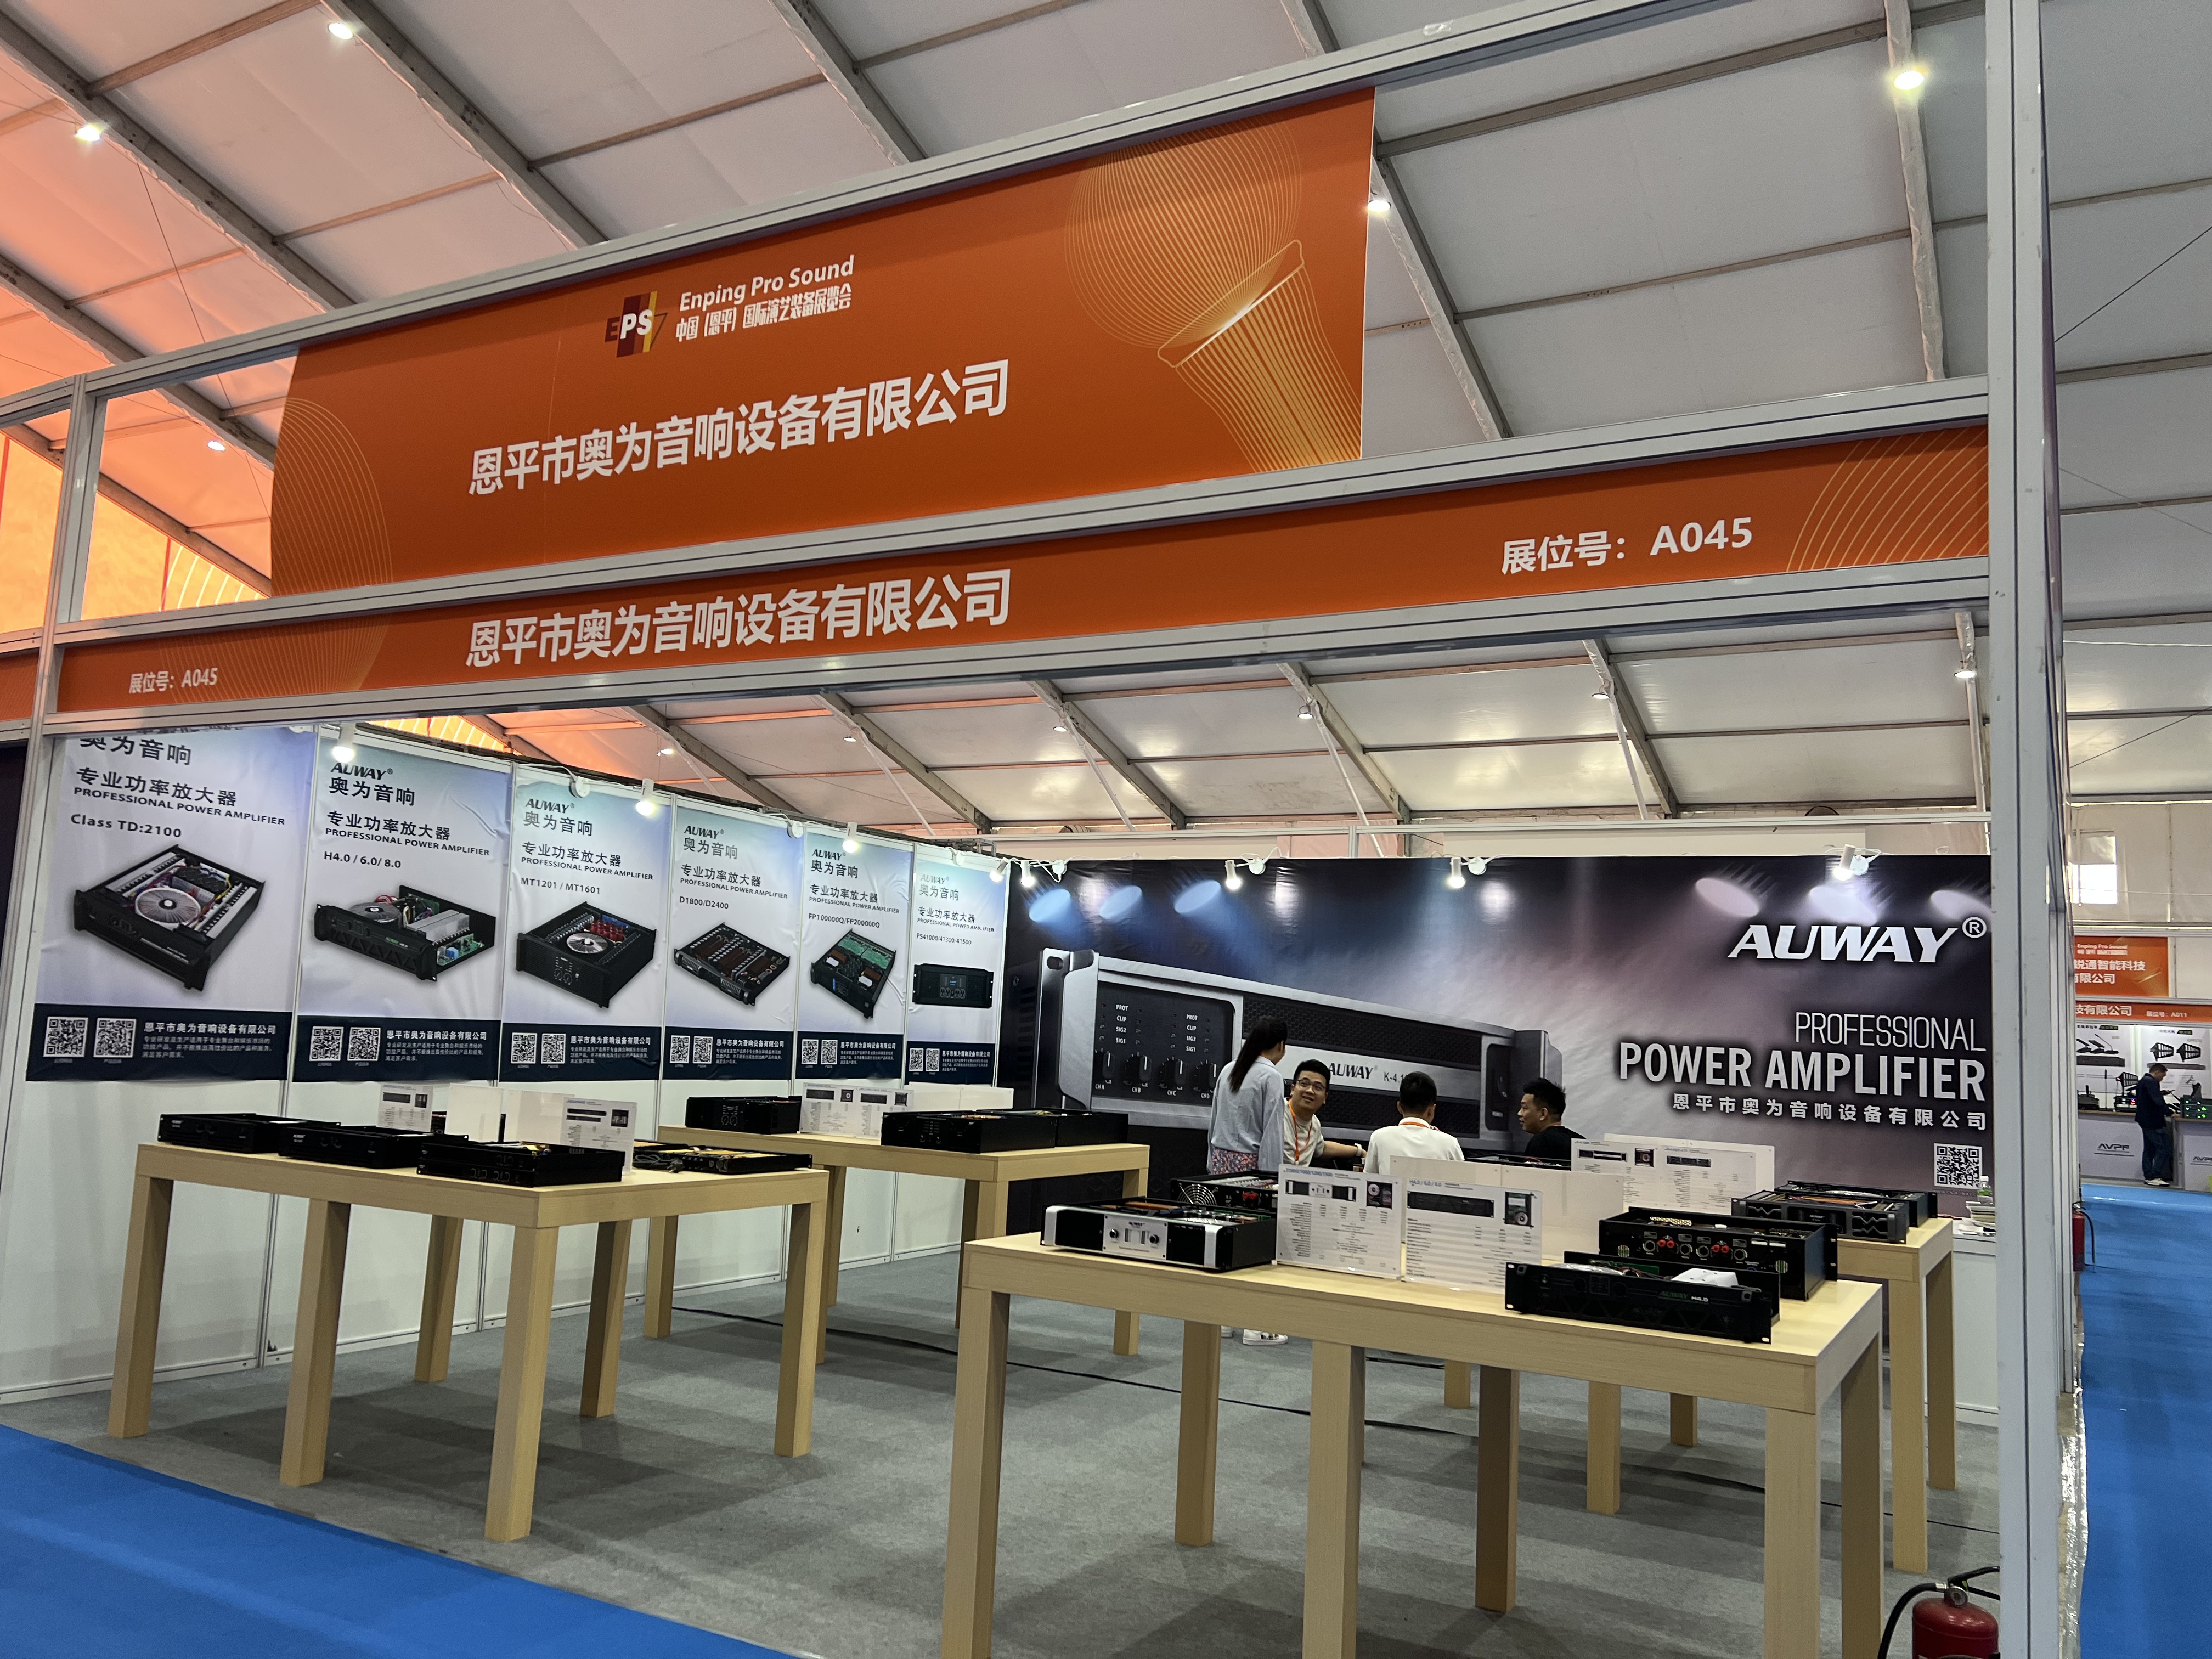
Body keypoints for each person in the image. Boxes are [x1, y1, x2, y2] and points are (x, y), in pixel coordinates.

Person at [1207, 1015, 1289, 1176]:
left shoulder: (1228, 1069)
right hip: (1250, 1168)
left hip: (1219, 1161)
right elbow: (1272, 1133)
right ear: (1281, 1045)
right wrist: (1272, 1176)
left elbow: (1214, 1121)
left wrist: (1211, 1163)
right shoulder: (1272, 1076)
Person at [1364, 1073, 1465, 1176]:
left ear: (1399, 1107)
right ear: (1431, 1110)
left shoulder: (1379, 1138)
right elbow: (1464, 1181)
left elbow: (1369, 1179)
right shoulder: (1450, 1144)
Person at [1282, 1058, 1363, 1168]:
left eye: (1318, 1087)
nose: (1310, 1091)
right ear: (1292, 1089)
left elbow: (1322, 1148)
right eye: (1304, 1084)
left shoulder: (1314, 1123)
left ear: (1325, 1097)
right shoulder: (1277, 1112)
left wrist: (1359, 1151)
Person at [1518, 1078, 1582, 1164]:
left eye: (1525, 1108)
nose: (1520, 1113)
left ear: (1543, 1114)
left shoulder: (1540, 1141)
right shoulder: (1580, 1141)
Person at [2135, 1062, 2176, 1187]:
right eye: (2162, 1076)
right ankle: (2154, 1175)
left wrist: (2161, 1093)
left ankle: (2149, 1176)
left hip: (2145, 1120)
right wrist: (2170, 1112)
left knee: (2149, 1149)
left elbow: (2149, 1097)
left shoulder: (2144, 1081)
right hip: (2153, 1121)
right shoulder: (2151, 1082)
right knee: (2164, 1149)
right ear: (2157, 1072)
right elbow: (2157, 1101)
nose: (2162, 1079)